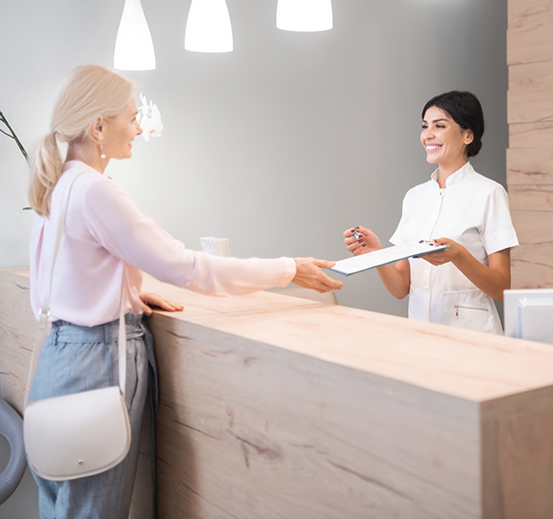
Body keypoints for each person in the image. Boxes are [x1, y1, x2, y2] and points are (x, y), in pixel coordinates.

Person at [27, 65, 343, 519]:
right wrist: (287, 269)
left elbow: (54, 282)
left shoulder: (57, 185)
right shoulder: (97, 191)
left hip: (61, 360)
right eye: (130, 118)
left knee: (64, 508)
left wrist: (126, 294)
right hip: (95, 363)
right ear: (99, 127)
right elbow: (187, 268)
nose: (138, 129)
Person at [343, 91, 518, 334]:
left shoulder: (489, 193)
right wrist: (376, 254)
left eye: (440, 126)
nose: (428, 135)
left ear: (468, 135)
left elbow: (503, 289)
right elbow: (401, 288)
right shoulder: (415, 197)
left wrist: (458, 256)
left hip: (473, 336)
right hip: (421, 335)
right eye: (425, 126)